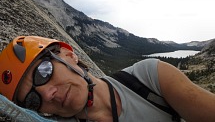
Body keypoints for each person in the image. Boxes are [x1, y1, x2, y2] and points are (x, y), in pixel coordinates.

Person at [0, 36, 215, 122]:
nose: (47, 94)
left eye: (43, 72)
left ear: (68, 55)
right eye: (32, 101)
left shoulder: (149, 78)